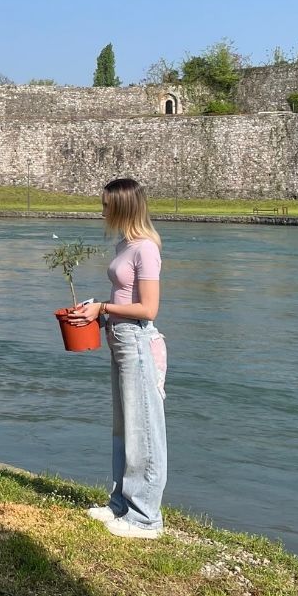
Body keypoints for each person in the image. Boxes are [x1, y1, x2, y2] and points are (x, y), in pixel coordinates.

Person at [66, 177, 168, 539]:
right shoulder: (125, 244)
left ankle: (146, 518)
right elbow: (124, 298)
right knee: (124, 425)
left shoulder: (146, 248)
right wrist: (98, 312)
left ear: (123, 206)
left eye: (106, 204)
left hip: (138, 343)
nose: (102, 210)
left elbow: (149, 308)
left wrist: (103, 308)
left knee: (144, 428)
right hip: (119, 337)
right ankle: (121, 503)